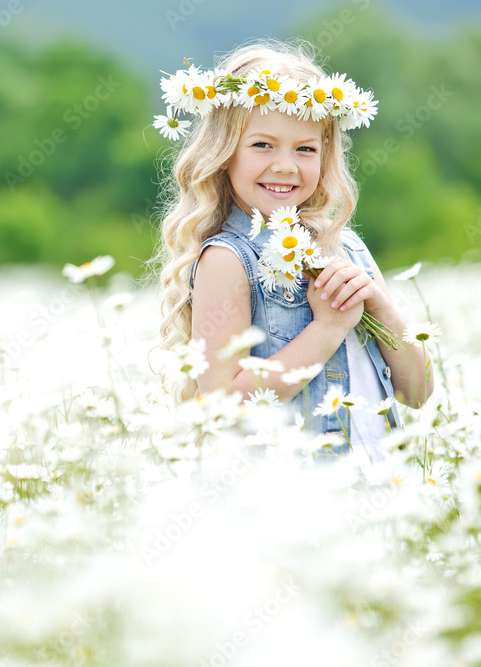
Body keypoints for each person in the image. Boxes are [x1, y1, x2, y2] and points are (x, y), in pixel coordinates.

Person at [150, 38, 433, 460]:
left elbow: (417, 391)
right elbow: (223, 408)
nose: (285, 165)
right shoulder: (229, 260)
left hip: (380, 487)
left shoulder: (347, 248)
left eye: (305, 149)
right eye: (262, 145)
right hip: (293, 500)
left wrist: (378, 306)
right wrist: (328, 329)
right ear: (225, 154)